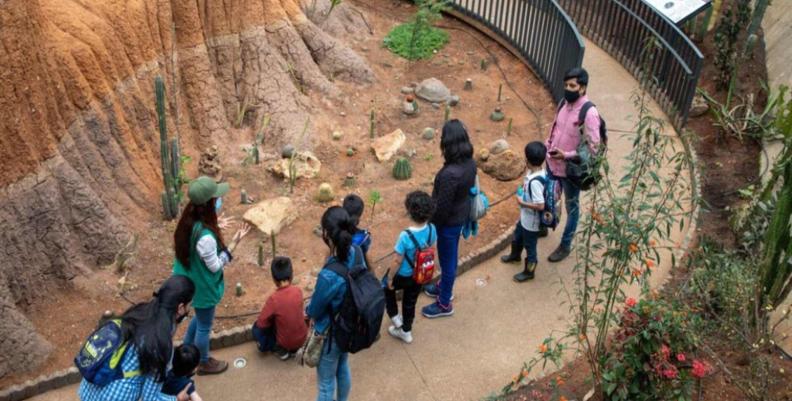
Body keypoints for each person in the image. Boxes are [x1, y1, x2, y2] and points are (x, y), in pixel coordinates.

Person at [172, 176, 251, 375]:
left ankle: (186, 351)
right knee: (205, 326)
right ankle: (203, 362)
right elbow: (215, 266)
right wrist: (233, 244)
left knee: (199, 319)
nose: (218, 200)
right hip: (202, 287)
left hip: (188, 282)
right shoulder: (206, 238)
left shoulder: (188, 222)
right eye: (216, 198)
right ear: (209, 204)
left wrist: (215, 225)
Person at [78, 276, 195, 401]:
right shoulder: (160, 343)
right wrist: (177, 399)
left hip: (88, 389)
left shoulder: (138, 312)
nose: (189, 309)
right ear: (181, 308)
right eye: (189, 305)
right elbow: (150, 398)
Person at [306, 206, 367, 401]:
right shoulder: (357, 252)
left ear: (326, 234)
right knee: (342, 367)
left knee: (325, 385)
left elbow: (315, 309)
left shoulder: (329, 274)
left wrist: (307, 311)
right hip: (349, 326)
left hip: (330, 333)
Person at [545, 67, 602, 263]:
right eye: (566, 85)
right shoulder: (563, 103)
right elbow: (555, 128)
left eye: (572, 86)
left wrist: (567, 155)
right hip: (552, 163)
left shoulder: (589, 113)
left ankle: (565, 244)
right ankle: (545, 225)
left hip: (571, 172)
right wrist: (548, 146)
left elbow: (593, 149)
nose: (567, 89)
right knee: (548, 198)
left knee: (572, 208)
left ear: (583, 87)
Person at [422, 119, 477, 319]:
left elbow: (442, 207)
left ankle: (445, 302)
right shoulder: (470, 164)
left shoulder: (450, 174)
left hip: (448, 224)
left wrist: (431, 226)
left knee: (447, 261)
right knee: (449, 257)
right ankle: (443, 287)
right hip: (459, 216)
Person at [383, 191, 436, 343]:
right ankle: (406, 331)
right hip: (419, 275)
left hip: (403, 274)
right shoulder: (432, 229)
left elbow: (397, 261)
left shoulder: (405, 236)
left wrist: (390, 278)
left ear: (410, 212)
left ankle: (394, 316)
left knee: (386, 287)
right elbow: (432, 250)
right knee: (410, 302)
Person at [501, 142, 547, 282]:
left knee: (530, 246)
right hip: (525, 218)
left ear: (528, 160)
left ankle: (529, 271)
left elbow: (540, 205)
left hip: (532, 222)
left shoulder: (535, 182)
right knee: (517, 236)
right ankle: (515, 256)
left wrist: (522, 203)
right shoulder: (537, 172)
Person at [252, 256, 309, 360]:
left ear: (274, 279)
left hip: (286, 342)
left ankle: (280, 350)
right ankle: (294, 350)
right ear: (291, 275)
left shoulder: (274, 299)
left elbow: (261, 323)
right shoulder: (298, 291)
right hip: (302, 338)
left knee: (256, 328)